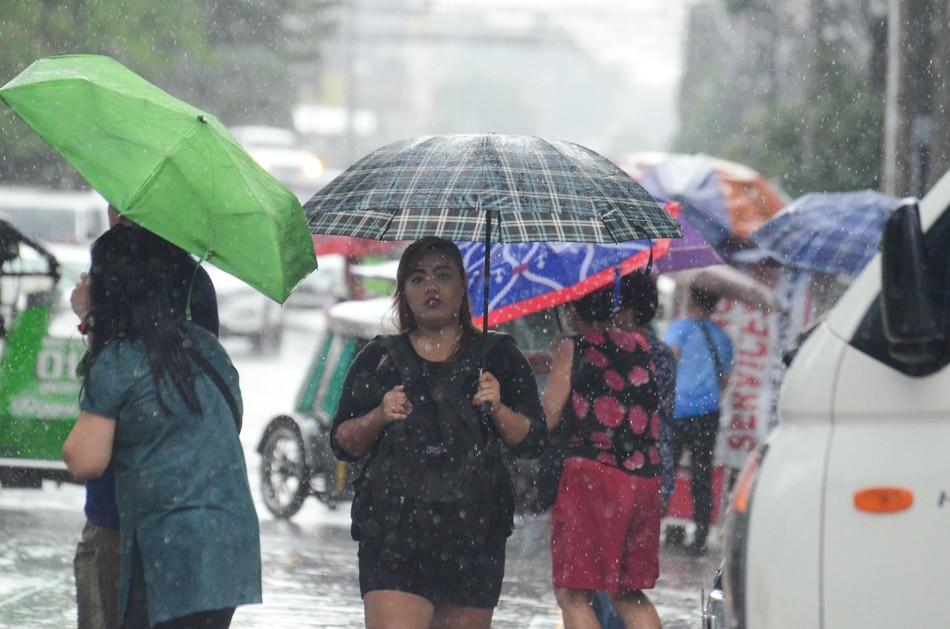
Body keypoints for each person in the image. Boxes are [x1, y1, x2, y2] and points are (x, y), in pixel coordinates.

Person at [330, 236, 546, 629]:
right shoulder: (379, 358)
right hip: (394, 537)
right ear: (403, 291)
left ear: (463, 286)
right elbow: (343, 442)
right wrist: (379, 415)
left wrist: (497, 407)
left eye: (443, 275)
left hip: (474, 538)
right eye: (417, 278)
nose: (431, 287)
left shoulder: (498, 357)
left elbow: (532, 441)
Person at [62, 226, 261, 629]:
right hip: (228, 544)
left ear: (113, 290)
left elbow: (85, 460)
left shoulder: (119, 360)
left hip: (165, 546)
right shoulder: (208, 348)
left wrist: (91, 322)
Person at [542, 284, 663, 629]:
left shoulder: (573, 346)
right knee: (629, 592)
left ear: (572, 312)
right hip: (645, 477)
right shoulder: (640, 345)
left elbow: (547, 417)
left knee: (573, 594)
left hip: (594, 475)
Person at [592, 271, 677, 629]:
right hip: (658, 470)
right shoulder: (662, 351)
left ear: (624, 307)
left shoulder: (620, 352)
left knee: (602, 574)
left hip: (620, 467)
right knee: (626, 575)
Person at [663, 285, 734, 556]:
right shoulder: (723, 337)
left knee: (666, 472)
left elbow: (668, 363)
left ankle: (651, 526)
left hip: (678, 410)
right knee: (701, 475)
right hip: (708, 412)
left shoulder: (680, 329)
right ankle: (700, 538)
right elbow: (724, 381)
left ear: (691, 299)